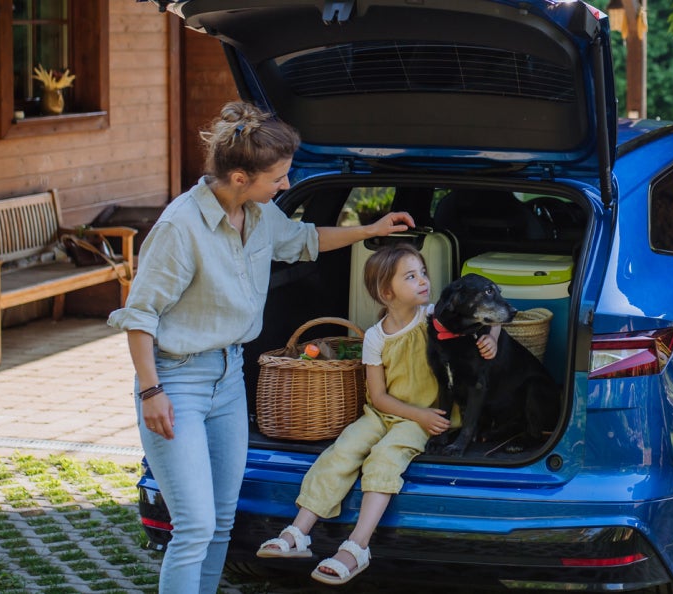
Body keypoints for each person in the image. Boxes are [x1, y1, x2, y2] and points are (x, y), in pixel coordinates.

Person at [107, 100, 415, 594]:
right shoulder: (179, 228)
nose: (286, 186)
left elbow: (304, 239)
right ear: (238, 177)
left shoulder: (258, 212)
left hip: (229, 377)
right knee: (194, 526)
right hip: (177, 382)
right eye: (278, 177)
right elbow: (139, 316)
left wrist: (372, 230)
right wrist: (151, 391)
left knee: (222, 525)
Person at [254, 243, 500, 585]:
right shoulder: (374, 337)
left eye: (423, 273)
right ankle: (298, 532)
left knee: (385, 458)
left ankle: (357, 546)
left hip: (424, 418)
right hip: (384, 413)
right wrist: (411, 412)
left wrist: (493, 336)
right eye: (411, 277)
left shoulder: (434, 317)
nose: (423, 281)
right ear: (387, 292)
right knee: (342, 451)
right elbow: (380, 397)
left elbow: (488, 312)